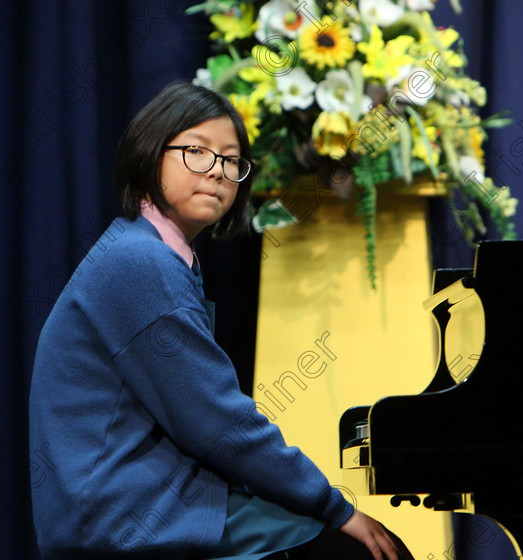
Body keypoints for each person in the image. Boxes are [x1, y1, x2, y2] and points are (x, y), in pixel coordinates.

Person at [29, 81, 413, 560]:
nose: (217, 172)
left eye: (231, 161)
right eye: (197, 152)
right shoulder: (141, 262)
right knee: (359, 550)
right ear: (150, 155)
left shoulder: (151, 252)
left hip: (154, 495)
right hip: (124, 514)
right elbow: (217, 424)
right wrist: (336, 506)